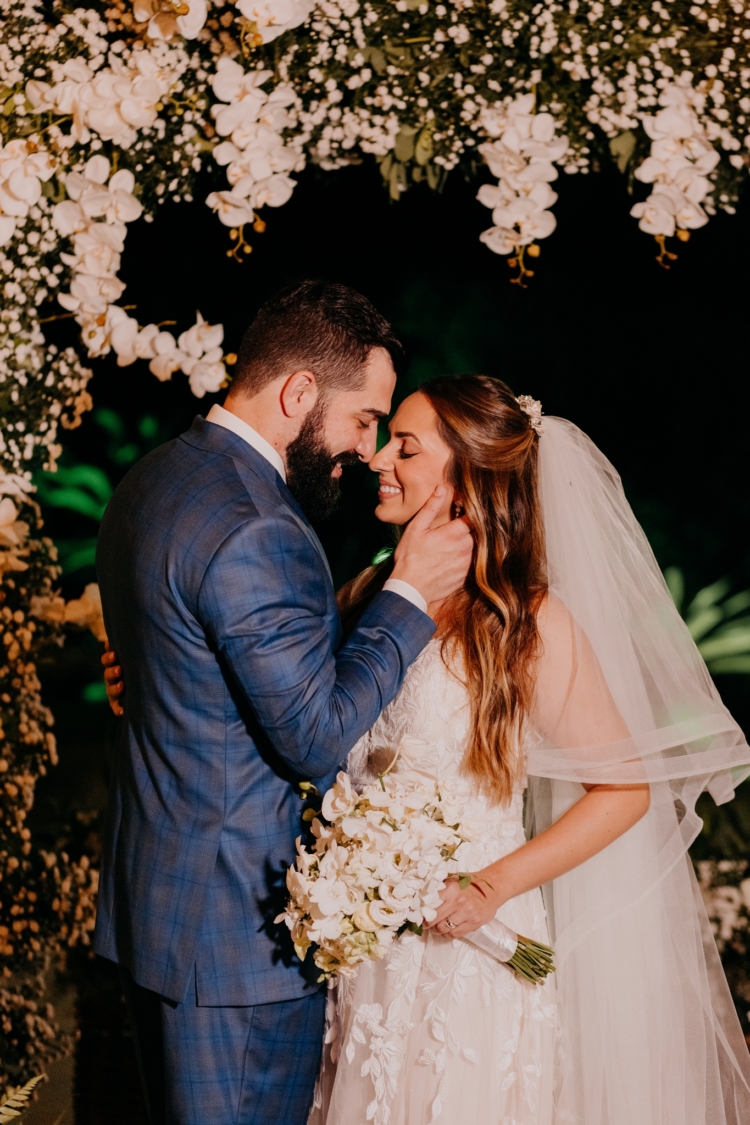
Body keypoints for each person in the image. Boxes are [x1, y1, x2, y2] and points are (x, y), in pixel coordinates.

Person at [306, 376, 750, 1125]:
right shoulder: (369, 595)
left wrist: (493, 885)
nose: (380, 458)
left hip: (474, 958)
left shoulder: (525, 623)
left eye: (406, 448)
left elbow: (625, 789)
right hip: (367, 959)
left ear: (468, 475)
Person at [94, 280, 473, 1125]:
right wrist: (408, 595)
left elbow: (189, 657)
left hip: (159, 909)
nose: (366, 449)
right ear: (299, 392)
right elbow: (315, 738)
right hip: (234, 948)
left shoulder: (156, 478)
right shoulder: (260, 524)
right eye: (365, 420)